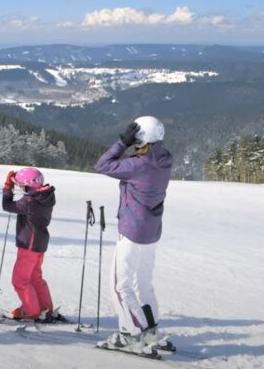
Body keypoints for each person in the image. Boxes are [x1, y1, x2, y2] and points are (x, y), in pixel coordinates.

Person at [93, 116, 172, 353]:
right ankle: (150, 330)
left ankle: (130, 333)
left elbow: (103, 165)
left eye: (136, 139)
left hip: (132, 230)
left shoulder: (139, 165)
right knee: (143, 284)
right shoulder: (163, 158)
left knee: (120, 286)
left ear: (141, 138)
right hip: (151, 230)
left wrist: (121, 143)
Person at [2, 167, 57, 320]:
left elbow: (7, 206)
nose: (20, 188)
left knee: (20, 280)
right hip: (39, 242)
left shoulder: (29, 201)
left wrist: (8, 187)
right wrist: (15, 183)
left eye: (21, 185)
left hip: (29, 244)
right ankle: (45, 307)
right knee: (34, 277)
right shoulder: (45, 195)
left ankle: (30, 310)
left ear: (28, 185)